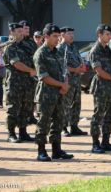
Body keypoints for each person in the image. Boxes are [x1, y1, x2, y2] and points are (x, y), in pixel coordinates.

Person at [33, 23, 73, 161]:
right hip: (46, 94)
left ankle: (57, 149)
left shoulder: (59, 52)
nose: (57, 39)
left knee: (58, 122)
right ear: (46, 37)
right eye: (55, 36)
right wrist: (62, 84)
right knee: (43, 122)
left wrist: (65, 83)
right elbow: (43, 77)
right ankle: (41, 151)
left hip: (60, 93)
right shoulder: (40, 54)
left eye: (58, 36)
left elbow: (64, 70)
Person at [88, 24, 111, 153]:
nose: (110, 36)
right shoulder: (95, 50)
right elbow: (99, 71)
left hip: (110, 87)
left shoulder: (108, 49)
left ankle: (105, 142)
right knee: (98, 115)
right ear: (99, 35)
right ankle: (95, 144)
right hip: (101, 87)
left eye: (110, 34)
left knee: (110, 115)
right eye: (107, 34)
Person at [3, 23, 35, 143]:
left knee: (26, 107)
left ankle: (23, 132)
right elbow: (17, 64)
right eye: (18, 31)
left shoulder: (27, 46)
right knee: (13, 108)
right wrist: (31, 70)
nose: (21, 33)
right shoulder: (10, 47)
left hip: (27, 82)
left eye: (22, 31)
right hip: (14, 82)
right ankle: (11, 133)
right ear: (11, 32)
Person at [58, 26, 88, 136]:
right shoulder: (61, 48)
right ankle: (63, 127)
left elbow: (79, 60)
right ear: (62, 35)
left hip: (76, 80)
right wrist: (75, 69)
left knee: (76, 103)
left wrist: (82, 66)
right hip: (67, 80)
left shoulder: (73, 47)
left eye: (72, 33)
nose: (71, 36)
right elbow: (62, 65)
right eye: (69, 34)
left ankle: (74, 126)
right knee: (65, 104)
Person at [18, 20, 38, 125]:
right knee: (20, 102)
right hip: (19, 77)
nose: (27, 30)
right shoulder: (17, 42)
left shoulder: (31, 42)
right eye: (25, 28)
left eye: (28, 29)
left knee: (31, 98)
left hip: (31, 75)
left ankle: (30, 116)